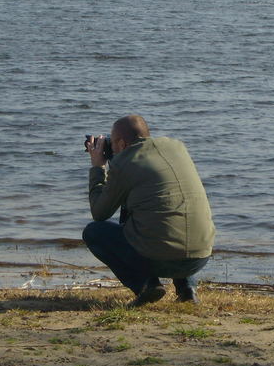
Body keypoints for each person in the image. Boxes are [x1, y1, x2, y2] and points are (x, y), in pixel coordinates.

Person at [83, 115, 215, 307]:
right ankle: (188, 290)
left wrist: (98, 167)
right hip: (200, 256)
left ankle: (146, 285)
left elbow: (99, 213)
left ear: (120, 142)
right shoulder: (177, 148)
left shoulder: (124, 164)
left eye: (113, 142)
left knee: (94, 232)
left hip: (160, 260)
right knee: (173, 214)